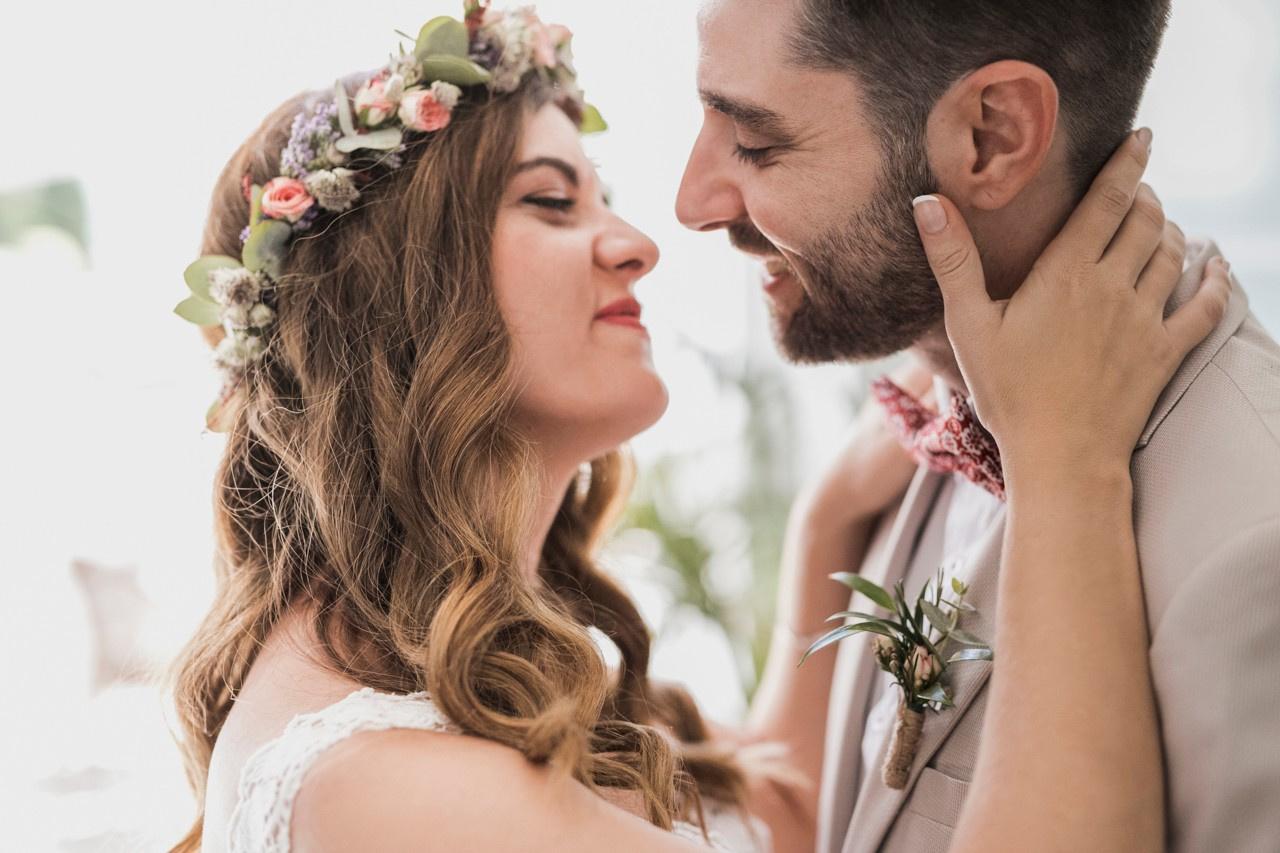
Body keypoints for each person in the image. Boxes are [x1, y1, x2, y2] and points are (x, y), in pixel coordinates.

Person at [167, 4, 1232, 852]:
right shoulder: (396, 795)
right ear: (393, 298)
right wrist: (1065, 463)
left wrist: (821, 531)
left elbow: (776, 819)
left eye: (600, 196)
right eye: (550, 202)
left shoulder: (439, 662)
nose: (640, 238)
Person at [676, 1, 1280, 851]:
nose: (689, 202)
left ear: (992, 136)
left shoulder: (1251, 551)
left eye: (757, 141)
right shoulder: (912, 418)